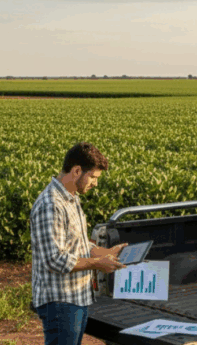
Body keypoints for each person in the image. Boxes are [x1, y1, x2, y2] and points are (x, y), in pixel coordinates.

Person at [30, 142, 128, 345]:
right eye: (93, 177)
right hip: (60, 300)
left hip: (76, 297)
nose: (95, 183)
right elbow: (55, 260)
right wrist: (97, 264)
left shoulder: (71, 198)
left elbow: (78, 244)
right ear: (76, 171)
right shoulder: (51, 205)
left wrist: (105, 253)